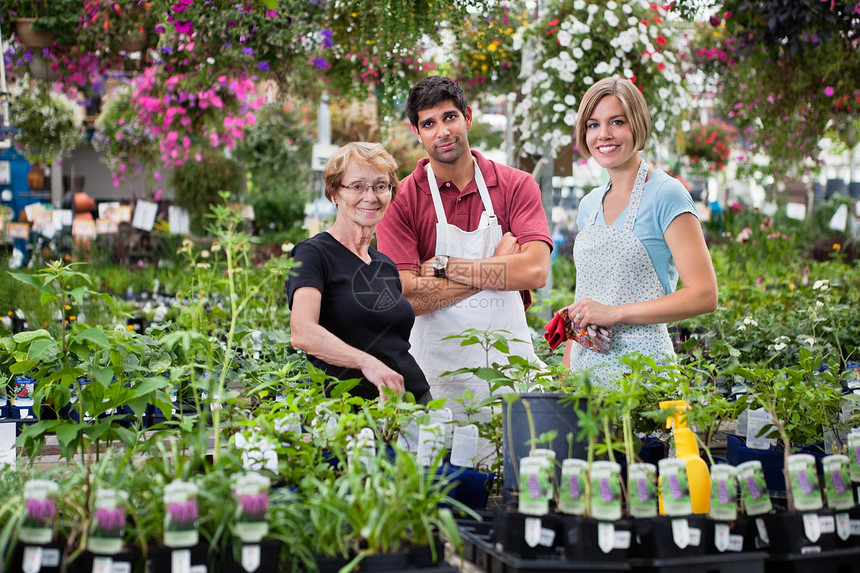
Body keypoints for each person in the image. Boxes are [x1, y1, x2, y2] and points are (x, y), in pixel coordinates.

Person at [376, 75, 552, 411]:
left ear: (467, 116)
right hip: (433, 376)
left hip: (509, 370)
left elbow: (534, 271)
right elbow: (405, 298)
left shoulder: (516, 185)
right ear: (417, 132)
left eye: (449, 117)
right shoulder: (401, 199)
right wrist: (499, 268)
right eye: (429, 123)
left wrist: (444, 268)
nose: (441, 131)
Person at [562, 77, 718, 385]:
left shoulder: (666, 194)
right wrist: (566, 376)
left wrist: (615, 313)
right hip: (586, 376)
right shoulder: (589, 205)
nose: (603, 134)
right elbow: (585, 299)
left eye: (616, 122)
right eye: (593, 125)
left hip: (644, 377)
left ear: (637, 125)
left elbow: (704, 295)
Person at [287, 142, 431, 403]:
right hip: (350, 415)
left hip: (413, 402)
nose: (371, 196)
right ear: (333, 193)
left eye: (381, 186)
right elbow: (302, 331)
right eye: (357, 186)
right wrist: (367, 363)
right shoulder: (313, 254)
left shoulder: (384, 265)